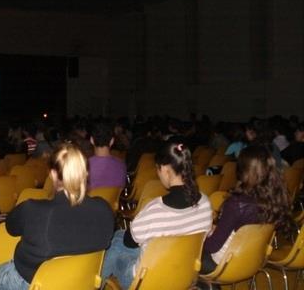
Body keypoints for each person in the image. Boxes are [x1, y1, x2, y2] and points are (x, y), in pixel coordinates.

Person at [0, 143, 114, 290]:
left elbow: (11, 227)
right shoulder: (104, 208)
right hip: (82, 282)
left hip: (31, 282)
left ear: (52, 174)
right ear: (84, 173)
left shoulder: (33, 209)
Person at [101, 142, 212, 289]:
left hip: (145, 282)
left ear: (165, 169)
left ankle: (97, 284)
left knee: (117, 242)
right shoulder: (205, 202)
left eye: (158, 169)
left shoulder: (155, 209)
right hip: (184, 273)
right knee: (122, 236)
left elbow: (129, 242)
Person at [200, 145, 292, 275]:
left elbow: (212, 247)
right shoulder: (276, 198)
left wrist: (201, 237)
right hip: (253, 260)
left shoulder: (237, 203)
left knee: (186, 252)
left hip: (223, 264)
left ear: (243, 170)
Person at [88, 122, 126, 190]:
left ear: (91, 140)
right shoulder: (121, 164)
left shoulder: (83, 166)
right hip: (113, 200)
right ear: (112, 141)